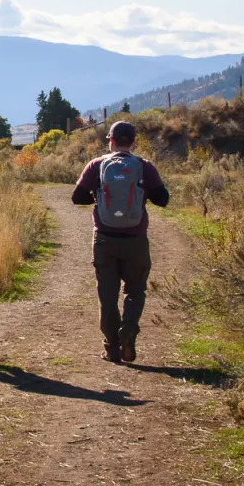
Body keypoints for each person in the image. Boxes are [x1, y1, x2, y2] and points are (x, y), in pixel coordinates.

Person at [71, 120, 169, 363]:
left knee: (107, 296)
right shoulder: (144, 167)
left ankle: (111, 348)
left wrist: (99, 197)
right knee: (135, 290)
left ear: (111, 141)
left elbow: (76, 197)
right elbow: (163, 199)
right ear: (133, 142)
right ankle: (129, 328)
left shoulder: (97, 165)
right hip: (135, 240)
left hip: (104, 239)